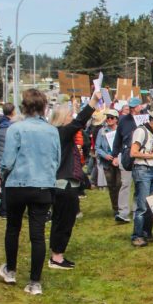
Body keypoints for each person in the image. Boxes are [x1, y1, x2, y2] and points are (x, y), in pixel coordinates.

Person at [0, 88, 60, 295]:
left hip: (17, 183)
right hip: (43, 184)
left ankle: (11, 270)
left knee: (13, 229)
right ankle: (35, 282)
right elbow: (56, 159)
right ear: (44, 107)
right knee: (38, 234)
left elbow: (8, 160)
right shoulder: (52, 131)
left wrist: (1, 176)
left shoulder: (16, 129)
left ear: (24, 107)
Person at [48, 92, 102, 269]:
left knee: (60, 220)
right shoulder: (62, 132)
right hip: (65, 184)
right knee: (64, 221)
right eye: (69, 116)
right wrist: (93, 101)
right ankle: (57, 257)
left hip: (62, 183)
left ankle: (56, 254)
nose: (72, 119)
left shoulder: (57, 133)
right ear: (62, 119)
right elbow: (80, 120)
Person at [130, 106, 153, 247]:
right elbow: (133, 153)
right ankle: (137, 235)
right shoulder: (141, 131)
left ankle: (146, 233)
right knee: (142, 206)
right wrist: (151, 155)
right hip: (142, 170)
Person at [111, 98, 141, 223]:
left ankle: (136, 210)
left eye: (135, 107)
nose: (133, 109)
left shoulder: (144, 119)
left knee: (139, 185)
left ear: (140, 106)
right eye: (131, 107)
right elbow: (117, 139)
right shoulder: (123, 120)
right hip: (125, 157)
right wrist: (114, 156)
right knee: (125, 184)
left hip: (140, 156)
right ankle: (123, 212)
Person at [0, 102, 16, 217]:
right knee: (5, 184)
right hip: (2, 157)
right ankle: (4, 210)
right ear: (13, 112)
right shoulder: (11, 127)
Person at [95, 108, 122, 217]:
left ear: (116, 119)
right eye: (108, 118)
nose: (109, 120)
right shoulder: (102, 131)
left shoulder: (120, 130)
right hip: (107, 163)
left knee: (120, 185)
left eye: (112, 118)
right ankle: (115, 208)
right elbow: (98, 147)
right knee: (112, 186)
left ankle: (122, 207)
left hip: (119, 161)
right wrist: (105, 156)